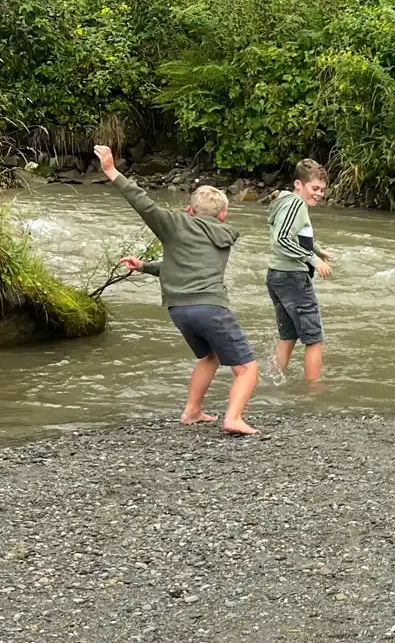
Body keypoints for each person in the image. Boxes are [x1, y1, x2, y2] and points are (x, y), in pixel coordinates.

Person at [95, 144, 259, 437]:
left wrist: (112, 171)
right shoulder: (224, 234)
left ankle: (192, 411)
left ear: (188, 210)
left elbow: (143, 203)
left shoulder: (175, 224)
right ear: (222, 216)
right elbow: (195, 263)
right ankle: (233, 418)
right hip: (210, 306)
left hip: (178, 309)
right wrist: (148, 266)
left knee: (209, 357)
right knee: (247, 367)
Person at [266, 159, 332, 386]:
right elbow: (282, 240)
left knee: (289, 336)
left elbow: (294, 236)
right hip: (292, 277)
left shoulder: (286, 202)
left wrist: (317, 250)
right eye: (315, 188)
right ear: (298, 184)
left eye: (322, 190)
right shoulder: (295, 204)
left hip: (277, 275)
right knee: (314, 339)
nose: (319, 194)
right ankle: (314, 391)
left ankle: (272, 382)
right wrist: (312, 258)